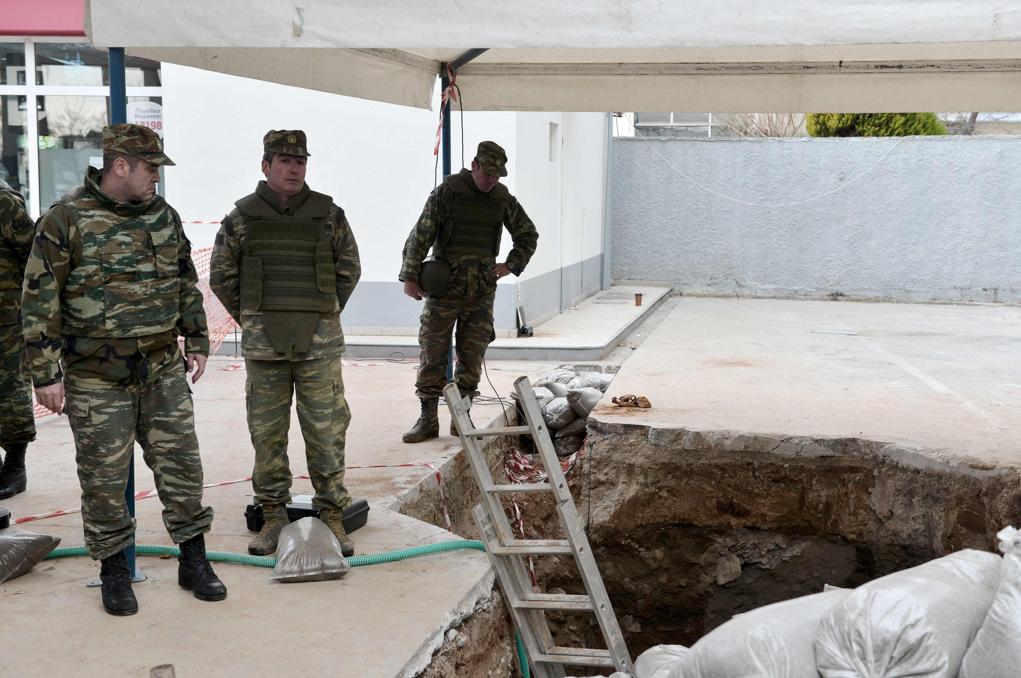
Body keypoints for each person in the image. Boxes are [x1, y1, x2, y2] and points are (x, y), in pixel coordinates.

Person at [21, 124, 226, 616]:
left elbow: (183, 280)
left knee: (182, 466)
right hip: (95, 375)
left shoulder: (163, 215)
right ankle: (114, 570)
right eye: (150, 167)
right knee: (104, 478)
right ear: (120, 166)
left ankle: (192, 560)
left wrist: (195, 338)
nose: (156, 177)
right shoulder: (65, 219)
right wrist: (45, 373)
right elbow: (39, 299)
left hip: (160, 368)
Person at [209, 130, 361, 558]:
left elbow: (349, 268)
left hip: (318, 343)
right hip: (265, 345)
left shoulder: (329, 214)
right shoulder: (241, 218)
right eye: (284, 161)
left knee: (327, 430)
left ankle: (332, 511)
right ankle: (272, 513)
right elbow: (222, 276)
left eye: (300, 162)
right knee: (267, 434)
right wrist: (255, 317)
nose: (294, 169)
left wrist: (322, 313)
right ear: (266, 166)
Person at [399, 141, 538, 442]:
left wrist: (510, 265)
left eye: (497, 176)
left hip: (480, 293)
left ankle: (461, 417)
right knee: (433, 353)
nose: (491, 180)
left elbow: (528, 234)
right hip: (444, 290)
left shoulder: (502, 199)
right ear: (474, 166)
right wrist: (410, 276)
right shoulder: (448, 192)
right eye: (487, 173)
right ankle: (428, 419)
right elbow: (420, 235)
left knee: (471, 357)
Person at [0, 177, 36, 498]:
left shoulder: (5, 203)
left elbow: (34, 253)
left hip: (6, 320)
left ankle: (15, 467)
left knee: (10, 394)